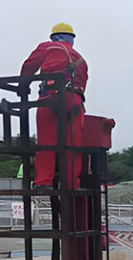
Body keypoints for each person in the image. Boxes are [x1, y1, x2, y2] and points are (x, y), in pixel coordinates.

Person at [20, 22, 88, 187]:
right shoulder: (81, 59)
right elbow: (84, 82)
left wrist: (22, 87)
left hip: (51, 98)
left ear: (53, 37)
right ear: (72, 40)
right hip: (76, 102)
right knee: (73, 146)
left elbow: (29, 67)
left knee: (47, 143)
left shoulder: (49, 48)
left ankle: (43, 182)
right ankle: (72, 184)